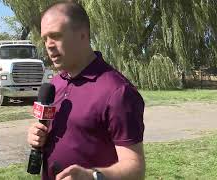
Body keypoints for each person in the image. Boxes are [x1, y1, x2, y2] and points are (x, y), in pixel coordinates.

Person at [27, 1, 145, 180]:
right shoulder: (56, 83)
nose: (49, 45)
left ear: (83, 34)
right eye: (45, 39)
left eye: (56, 36)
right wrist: (38, 136)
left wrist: (93, 177)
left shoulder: (117, 92)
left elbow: (135, 169)